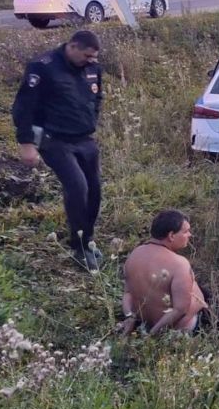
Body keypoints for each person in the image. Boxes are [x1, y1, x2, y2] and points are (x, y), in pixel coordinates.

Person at [12, 30, 104, 270]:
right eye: (86, 55)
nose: (91, 60)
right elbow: (24, 107)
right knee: (77, 186)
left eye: (93, 56)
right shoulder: (43, 67)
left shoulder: (92, 68)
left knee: (94, 190)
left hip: (84, 138)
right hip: (55, 139)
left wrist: (92, 119)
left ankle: (88, 239)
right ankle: (79, 246)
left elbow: (97, 97)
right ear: (72, 47)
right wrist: (26, 144)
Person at [119, 209, 209, 335]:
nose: (190, 235)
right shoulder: (179, 264)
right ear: (171, 236)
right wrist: (153, 334)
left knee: (201, 289)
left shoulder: (134, 254)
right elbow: (180, 310)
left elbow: (128, 293)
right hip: (182, 327)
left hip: (145, 322)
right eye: (186, 231)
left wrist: (129, 316)